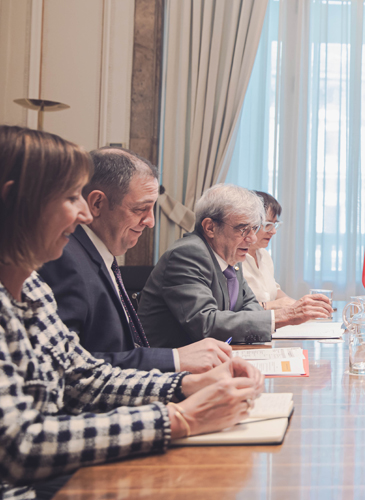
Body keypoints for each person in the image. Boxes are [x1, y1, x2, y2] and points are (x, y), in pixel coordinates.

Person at [0, 125, 263, 500]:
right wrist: (179, 419)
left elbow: (83, 378)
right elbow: (18, 445)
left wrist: (186, 385)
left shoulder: (32, 288)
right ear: (15, 203)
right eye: (69, 197)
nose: (82, 214)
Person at [39, 147, 231, 373]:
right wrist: (176, 360)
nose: (150, 221)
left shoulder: (97, 252)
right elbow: (72, 367)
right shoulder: (64, 259)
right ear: (97, 204)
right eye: (141, 209)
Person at [138, 184, 332, 348]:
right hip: (169, 372)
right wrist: (286, 315)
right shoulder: (188, 254)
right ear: (210, 227)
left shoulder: (230, 256)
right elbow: (207, 324)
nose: (252, 238)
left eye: (254, 228)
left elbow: (251, 308)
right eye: (243, 229)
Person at [242, 190, 296, 310]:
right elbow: (232, 309)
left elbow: (274, 291)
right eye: (268, 225)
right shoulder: (233, 258)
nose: (273, 231)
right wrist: (271, 306)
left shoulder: (263, 254)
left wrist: (298, 305)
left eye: (275, 225)